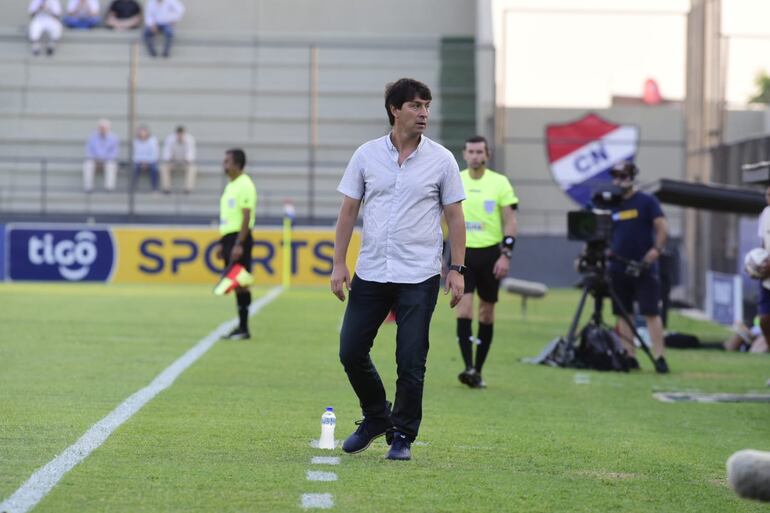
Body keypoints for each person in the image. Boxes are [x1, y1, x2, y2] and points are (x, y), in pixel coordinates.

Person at [331, 78, 466, 461]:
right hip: (371, 271)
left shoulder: (442, 159)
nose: (424, 113)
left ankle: (403, 435)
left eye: (427, 106)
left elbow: (455, 218)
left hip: (419, 275)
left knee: (410, 360)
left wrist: (456, 268)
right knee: (351, 350)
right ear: (395, 110)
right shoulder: (366, 155)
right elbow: (348, 212)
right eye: (416, 106)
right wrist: (339, 263)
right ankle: (376, 416)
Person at [455, 135, 518, 389]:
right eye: (471, 151)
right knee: (464, 309)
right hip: (464, 253)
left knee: (486, 312)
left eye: (479, 151)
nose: (475, 156)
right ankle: (468, 366)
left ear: (487, 155)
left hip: (491, 254)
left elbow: (510, 220)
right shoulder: (456, 179)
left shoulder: (500, 183)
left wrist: (506, 254)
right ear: (464, 154)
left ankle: (478, 369)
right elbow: (443, 214)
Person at [607, 161, 670, 373]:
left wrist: (655, 251)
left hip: (644, 266)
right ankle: (629, 355)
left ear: (632, 176)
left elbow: (662, 227)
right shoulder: (612, 204)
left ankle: (659, 356)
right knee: (623, 313)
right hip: (618, 267)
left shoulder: (646, 201)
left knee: (651, 311)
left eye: (623, 175)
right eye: (616, 175)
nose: (619, 180)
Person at [215, 149, 257, 340]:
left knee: (240, 282)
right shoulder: (231, 185)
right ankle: (241, 327)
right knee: (237, 282)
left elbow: (246, 216)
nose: (224, 165)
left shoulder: (245, 184)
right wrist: (221, 242)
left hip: (240, 238)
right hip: (229, 238)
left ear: (238, 164)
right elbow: (230, 217)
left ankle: (244, 328)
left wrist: (239, 243)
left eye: (227, 162)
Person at [83, 118, 119, 193]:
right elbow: (88, 151)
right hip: (94, 160)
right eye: (101, 128)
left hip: (107, 160)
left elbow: (114, 153)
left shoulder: (114, 138)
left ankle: (109, 188)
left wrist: (104, 160)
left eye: (105, 128)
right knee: (88, 164)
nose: (103, 129)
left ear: (109, 128)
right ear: (98, 128)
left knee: (111, 165)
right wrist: (96, 160)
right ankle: (88, 188)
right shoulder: (92, 137)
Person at [753, 186, 770, 343]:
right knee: (764, 318)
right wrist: (757, 263)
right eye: (766, 194)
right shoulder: (765, 214)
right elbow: (763, 243)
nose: (768, 197)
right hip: (767, 276)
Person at [160, 125, 196, 194]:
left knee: (192, 168)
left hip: (185, 162)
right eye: (178, 134)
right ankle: (166, 188)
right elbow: (166, 154)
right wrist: (170, 159)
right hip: (173, 162)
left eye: (181, 134)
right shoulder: (170, 139)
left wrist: (186, 160)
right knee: (164, 168)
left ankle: (187, 189)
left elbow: (191, 155)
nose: (180, 136)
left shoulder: (190, 139)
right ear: (176, 134)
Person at [131, 125, 159, 192]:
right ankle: (133, 189)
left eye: (143, 132)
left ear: (147, 132)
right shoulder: (136, 141)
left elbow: (155, 154)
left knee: (154, 169)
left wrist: (147, 162)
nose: (142, 133)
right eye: (140, 132)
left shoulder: (153, 140)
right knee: (134, 168)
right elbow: (135, 155)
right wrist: (142, 162)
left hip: (151, 161)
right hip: (139, 161)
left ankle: (154, 188)